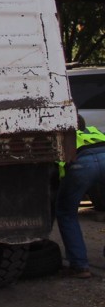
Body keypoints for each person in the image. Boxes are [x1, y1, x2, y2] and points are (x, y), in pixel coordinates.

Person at [55, 114, 105, 279]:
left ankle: (79, 265)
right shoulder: (93, 131)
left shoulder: (60, 138)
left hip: (81, 165)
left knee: (66, 213)